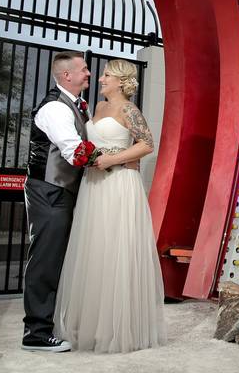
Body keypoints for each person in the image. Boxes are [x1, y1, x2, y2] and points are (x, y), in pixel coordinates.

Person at [54, 59, 167, 353]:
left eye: (105, 75)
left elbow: (147, 144)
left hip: (119, 185)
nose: (100, 79)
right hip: (94, 187)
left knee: (117, 251)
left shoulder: (129, 109)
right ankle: (92, 325)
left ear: (119, 80)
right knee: (96, 250)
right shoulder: (98, 108)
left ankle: (120, 329)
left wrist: (111, 159)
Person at [21, 51, 91, 352]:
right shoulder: (55, 108)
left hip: (65, 191)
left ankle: (53, 322)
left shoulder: (77, 106)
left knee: (61, 260)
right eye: (84, 69)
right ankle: (35, 333)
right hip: (49, 191)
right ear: (67, 76)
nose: (88, 73)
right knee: (46, 260)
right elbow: (75, 152)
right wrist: (117, 161)